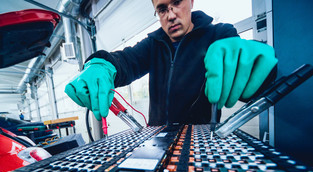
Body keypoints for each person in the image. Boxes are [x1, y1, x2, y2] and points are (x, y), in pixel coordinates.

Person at [65, 0, 277, 126]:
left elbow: (245, 74)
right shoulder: (153, 44)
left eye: (176, 2)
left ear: (191, 1)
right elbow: (126, 61)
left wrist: (260, 71)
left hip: (201, 140)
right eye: (162, 9)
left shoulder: (219, 35)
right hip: (159, 138)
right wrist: (101, 64)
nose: (171, 15)